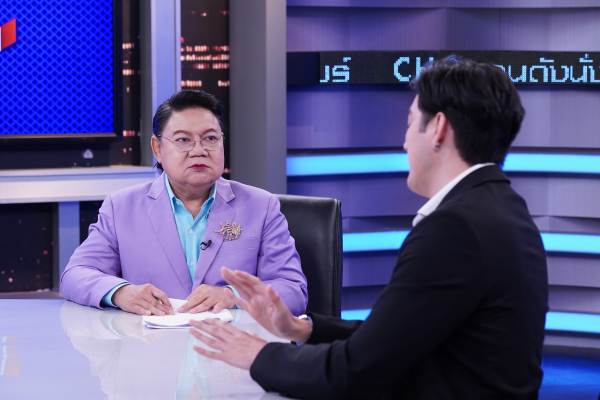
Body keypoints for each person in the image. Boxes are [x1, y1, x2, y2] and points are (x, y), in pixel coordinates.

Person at [189, 58, 549, 399]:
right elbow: (396, 336)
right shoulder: (501, 208)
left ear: (438, 128)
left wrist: (258, 355)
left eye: (410, 123)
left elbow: (354, 372)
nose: (405, 142)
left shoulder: (454, 229)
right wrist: (304, 329)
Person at [60, 90, 308, 317]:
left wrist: (233, 296)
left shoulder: (261, 206)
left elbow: (293, 290)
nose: (199, 150)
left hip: (232, 345)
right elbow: (75, 275)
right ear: (158, 148)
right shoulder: (121, 207)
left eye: (210, 138)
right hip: (150, 345)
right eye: (183, 140)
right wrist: (121, 292)